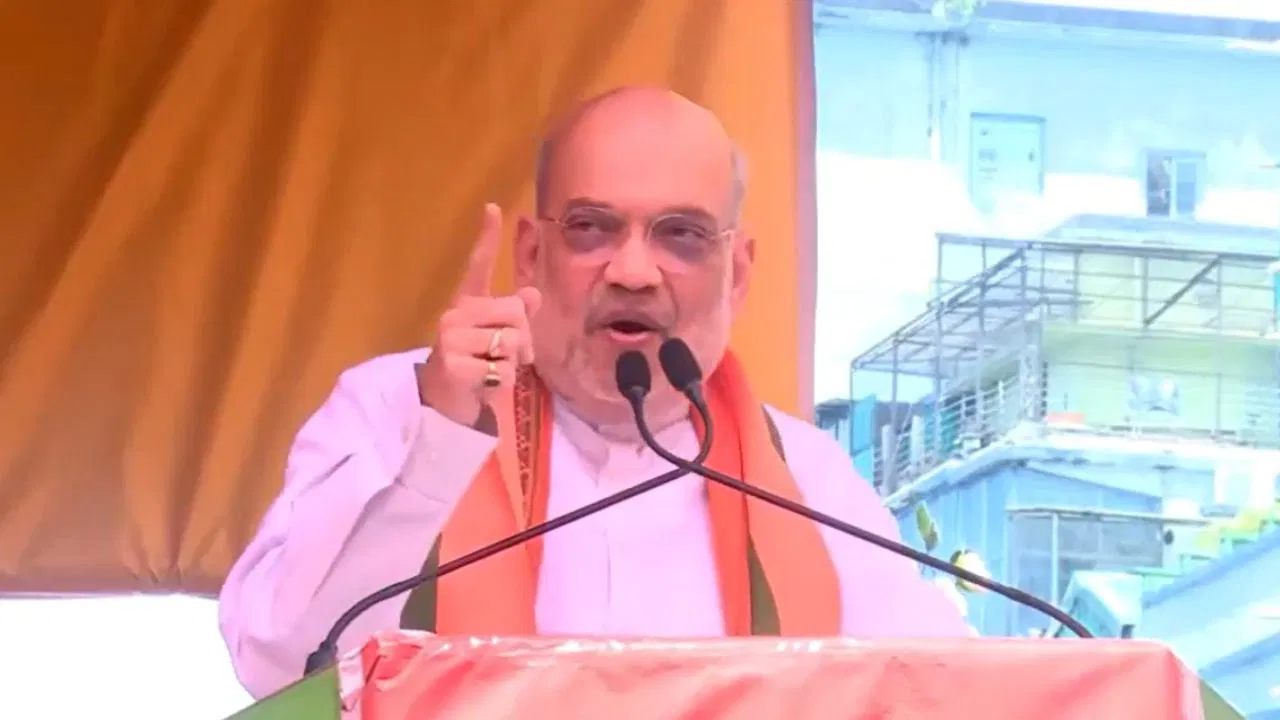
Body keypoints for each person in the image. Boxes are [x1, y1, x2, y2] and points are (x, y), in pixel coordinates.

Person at [218, 86, 967, 699]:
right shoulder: (401, 407)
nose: (633, 272)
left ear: (737, 274)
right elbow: (277, 667)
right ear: (531, 254)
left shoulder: (805, 477)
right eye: (591, 228)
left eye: (680, 235)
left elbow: (938, 688)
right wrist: (437, 445)